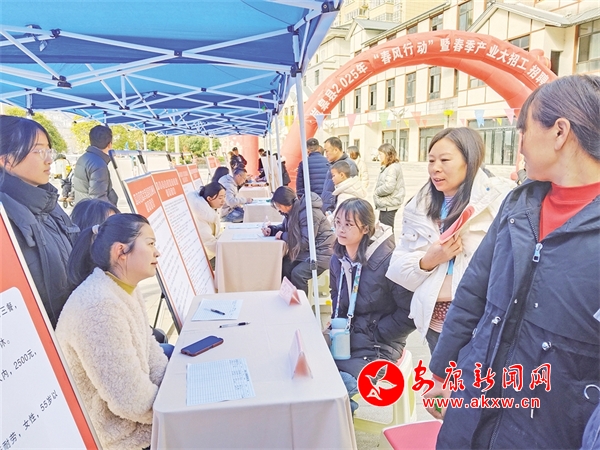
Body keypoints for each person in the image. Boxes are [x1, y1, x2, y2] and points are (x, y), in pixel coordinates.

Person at [425, 75, 600, 449]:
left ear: (560, 132)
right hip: (472, 403)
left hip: (548, 425)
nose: (519, 144)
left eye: (524, 130)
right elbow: (472, 294)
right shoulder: (518, 205)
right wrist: (440, 371)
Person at [386, 127, 514, 353]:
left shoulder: (498, 202)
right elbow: (396, 269)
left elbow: (508, 268)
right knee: (442, 375)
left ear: (470, 160)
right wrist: (427, 261)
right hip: (435, 326)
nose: (435, 168)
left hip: (480, 324)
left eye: (445, 160)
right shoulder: (418, 207)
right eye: (431, 160)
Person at [56, 213, 168, 450]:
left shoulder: (123, 288)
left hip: (136, 420)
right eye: (150, 244)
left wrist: (175, 388)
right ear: (121, 251)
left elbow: (151, 352)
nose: (157, 252)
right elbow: (130, 401)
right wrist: (175, 406)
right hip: (116, 437)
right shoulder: (98, 306)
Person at [328, 198, 415, 414]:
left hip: (380, 345)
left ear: (366, 228)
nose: (340, 229)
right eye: (337, 222)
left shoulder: (389, 261)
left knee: (335, 388)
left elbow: (411, 312)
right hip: (348, 337)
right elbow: (336, 295)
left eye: (348, 224)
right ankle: (342, 416)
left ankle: (342, 420)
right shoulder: (337, 259)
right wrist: (336, 325)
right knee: (312, 371)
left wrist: (377, 332)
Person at [0, 116, 79, 328]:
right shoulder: (5, 220)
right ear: (6, 160)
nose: (49, 160)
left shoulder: (49, 203)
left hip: (72, 329)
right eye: (38, 151)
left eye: (48, 150)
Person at [262, 186, 335, 294]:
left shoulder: (310, 213)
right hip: (307, 252)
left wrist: (283, 236)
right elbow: (285, 228)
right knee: (284, 266)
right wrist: (272, 230)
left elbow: (305, 242)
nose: (278, 210)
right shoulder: (293, 211)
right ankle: (289, 297)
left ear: (285, 204)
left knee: (298, 274)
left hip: (321, 253)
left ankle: (302, 302)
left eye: (278, 206)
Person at [72, 125, 118, 206]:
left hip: (83, 208)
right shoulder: (99, 164)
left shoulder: (83, 158)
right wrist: (113, 210)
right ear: (109, 144)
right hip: (94, 211)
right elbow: (98, 199)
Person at [187, 181, 226, 268]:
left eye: (224, 196)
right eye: (220, 198)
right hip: (205, 257)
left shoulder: (210, 209)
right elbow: (208, 243)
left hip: (212, 250)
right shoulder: (200, 215)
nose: (224, 201)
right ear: (209, 198)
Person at [373, 143, 405, 231]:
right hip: (386, 204)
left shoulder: (392, 168)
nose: (379, 157)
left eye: (380, 154)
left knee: (387, 231)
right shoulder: (389, 166)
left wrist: (376, 192)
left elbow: (389, 187)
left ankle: (390, 241)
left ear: (387, 154)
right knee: (384, 230)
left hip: (389, 204)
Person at [321, 137, 358, 212]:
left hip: (338, 210)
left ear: (336, 150)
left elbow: (349, 192)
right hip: (329, 209)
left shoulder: (349, 165)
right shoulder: (332, 164)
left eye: (327, 151)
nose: (325, 154)